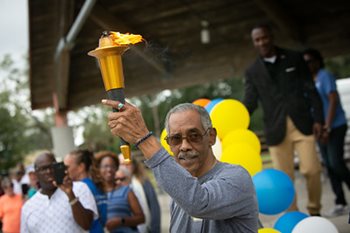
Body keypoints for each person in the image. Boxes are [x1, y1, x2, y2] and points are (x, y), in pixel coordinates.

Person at [102, 100, 258, 232]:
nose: (184, 146)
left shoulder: (237, 177)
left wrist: (142, 138)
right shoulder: (179, 193)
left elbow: (199, 202)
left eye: (194, 136)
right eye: (176, 139)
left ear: (211, 137)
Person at [242, 23, 324, 216]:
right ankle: (293, 214)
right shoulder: (252, 71)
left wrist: (319, 119)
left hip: (303, 124)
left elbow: (311, 91)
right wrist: (237, 116)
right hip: (275, 129)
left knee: (312, 170)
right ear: (254, 43)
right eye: (257, 40)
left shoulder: (295, 58)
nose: (262, 42)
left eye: (264, 37)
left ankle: (314, 211)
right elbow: (250, 101)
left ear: (271, 36)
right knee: (284, 179)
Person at [303, 48, 350, 217]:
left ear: (317, 61)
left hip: (335, 126)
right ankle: (340, 202)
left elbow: (333, 100)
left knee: (337, 163)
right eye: (304, 62)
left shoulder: (325, 76)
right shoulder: (307, 80)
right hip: (319, 129)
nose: (307, 64)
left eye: (310, 61)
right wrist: (318, 128)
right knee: (329, 166)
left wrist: (327, 127)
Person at [20, 152, 98, 233]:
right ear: (36, 174)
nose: (49, 171)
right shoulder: (28, 207)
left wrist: (70, 194)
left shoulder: (79, 188)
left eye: (52, 167)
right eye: (43, 169)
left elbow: (87, 224)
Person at [95, 150, 145, 233]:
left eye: (112, 166)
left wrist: (121, 221)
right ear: (99, 169)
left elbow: (141, 218)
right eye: (105, 166)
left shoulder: (126, 191)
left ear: (116, 168)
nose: (109, 169)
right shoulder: (95, 192)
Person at [64, 149, 108, 232]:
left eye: (67, 167)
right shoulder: (95, 184)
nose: (64, 171)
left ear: (81, 167)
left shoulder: (81, 188)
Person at [118, 157, 161, 233]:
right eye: (122, 164)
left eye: (127, 164)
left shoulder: (143, 182)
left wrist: (155, 229)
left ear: (134, 165)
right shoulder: (114, 185)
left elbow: (154, 207)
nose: (125, 167)